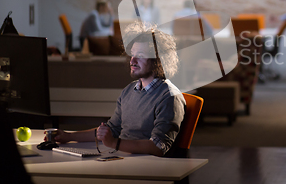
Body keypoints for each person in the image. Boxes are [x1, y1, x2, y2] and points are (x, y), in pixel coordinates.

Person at [52, 22, 186, 157]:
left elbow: (158, 147)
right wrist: (68, 136)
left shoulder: (169, 96)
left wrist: (114, 143)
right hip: (120, 156)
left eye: (140, 55)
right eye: (132, 54)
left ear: (158, 60)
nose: (132, 61)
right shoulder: (129, 91)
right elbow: (111, 130)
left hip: (144, 166)